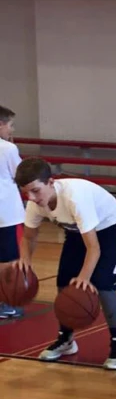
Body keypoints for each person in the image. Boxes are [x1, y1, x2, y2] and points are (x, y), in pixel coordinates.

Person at [14, 157, 116, 370]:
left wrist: (84, 278)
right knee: (64, 282)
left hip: (108, 226)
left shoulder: (74, 198)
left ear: (50, 182)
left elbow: (94, 248)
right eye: (26, 192)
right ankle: (66, 339)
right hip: (77, 230)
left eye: (35, 190)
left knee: (102, 285)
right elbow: (29, 237)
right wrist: (25, 262)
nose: (31, 197)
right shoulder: (35, 203)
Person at [0, 105, 25, 319]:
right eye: (10, 125)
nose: (11, 130)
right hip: (5, 212)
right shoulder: (7, 149)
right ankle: (6, 302)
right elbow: (21, 175)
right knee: (7, 259)